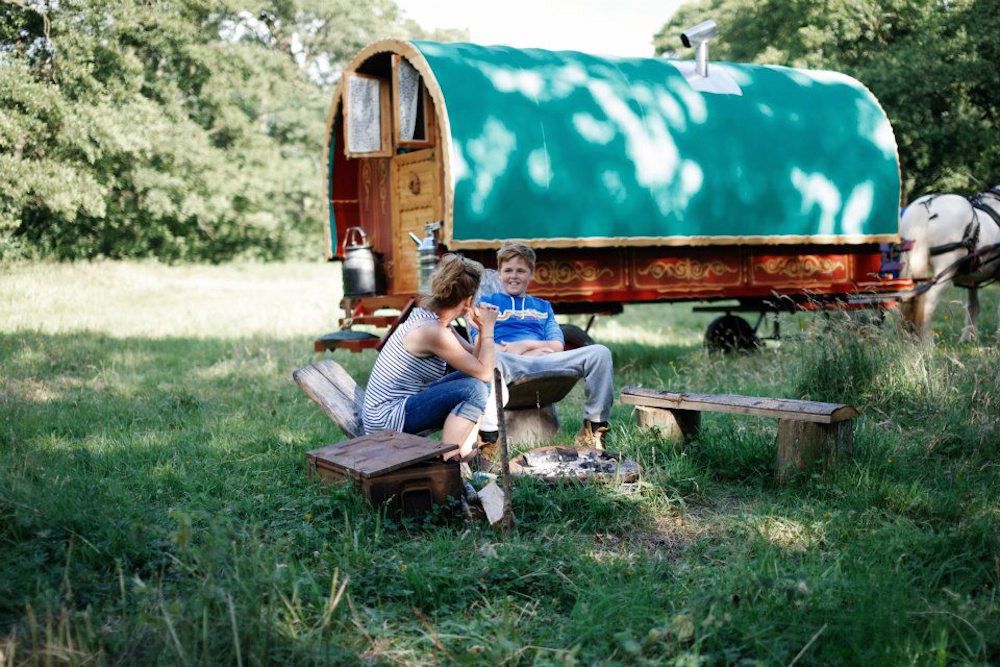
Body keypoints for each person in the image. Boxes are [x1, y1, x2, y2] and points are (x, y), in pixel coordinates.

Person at [473, 242, 614, 449]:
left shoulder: (542, 306)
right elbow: (482, 344)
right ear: (500, 273)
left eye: (521, 270)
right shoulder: (487, 303)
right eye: (508, 270)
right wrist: (530, 349)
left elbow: (557, 345)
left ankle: (594, 429)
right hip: (508, 364)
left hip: (546, 360)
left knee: (600, 352)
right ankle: (488, 441)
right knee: (494, 359)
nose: (514, 276)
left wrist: (523, 345)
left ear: (531, 273)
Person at [362, 254, 499, 459]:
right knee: (475, 388)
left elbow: (477, 364)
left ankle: (466, 455)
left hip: (400, 407)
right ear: (469, 300)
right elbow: (485, 372)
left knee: (478, 384)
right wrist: (488, 330)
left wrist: (480, 330)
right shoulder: (434, 332)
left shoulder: (435, 320)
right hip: (386, 421)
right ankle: (447, 461)